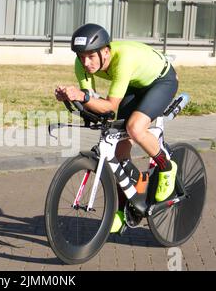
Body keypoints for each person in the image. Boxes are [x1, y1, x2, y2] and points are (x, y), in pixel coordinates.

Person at [54, 23, 179, 233]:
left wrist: (82, 96)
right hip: (134, 83)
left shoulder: (123, 60)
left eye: (91, 56)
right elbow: (92, 102)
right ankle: (127, 202)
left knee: (135, 128)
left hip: (161, 81)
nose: (86, 62)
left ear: (105, 51)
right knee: (119, 152)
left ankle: (167, 167)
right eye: (81, 56)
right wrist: (73, 98)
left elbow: (110, 105)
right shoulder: (81, 63)